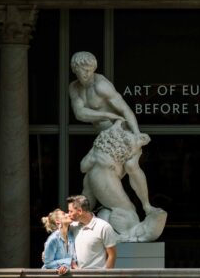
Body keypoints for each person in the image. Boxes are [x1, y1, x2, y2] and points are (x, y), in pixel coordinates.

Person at [68, 51, 166, 242]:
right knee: (90, 180)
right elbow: (80, 113)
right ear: (75, 70)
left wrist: (136, 134)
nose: (86, 74)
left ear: (94, 69)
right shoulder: (74, 88)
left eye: (89, 70)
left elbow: (125, 109)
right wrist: (107, 115)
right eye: (82, 70)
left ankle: (146, 205)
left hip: (120, 133)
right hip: (105, 137)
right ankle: (82, 221)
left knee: (131, 166)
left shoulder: (101, 85)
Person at [64, 194, 117, 269]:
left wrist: (105, 275)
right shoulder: (72, 226)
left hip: (97, 275)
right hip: (76, 275)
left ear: (79, 211)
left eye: (70, 211)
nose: (68, 214)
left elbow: (112, 255)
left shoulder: (104, 227)